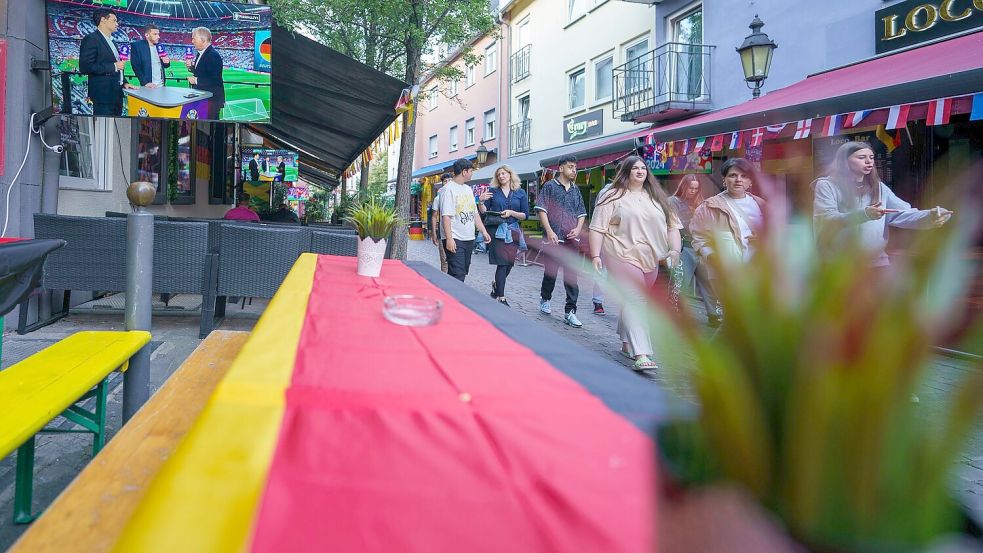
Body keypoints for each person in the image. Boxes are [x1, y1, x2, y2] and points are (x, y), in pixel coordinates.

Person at [588, 156, 682, 371]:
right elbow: (597, 228)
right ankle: (642, 353)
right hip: (620, 253)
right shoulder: (612, 196)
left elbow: (673, 227)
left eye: (643, 168)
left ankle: (626, 341)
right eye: (635, 168)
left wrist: (675, 250)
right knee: (636, 299)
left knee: (632, 300)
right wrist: (596, 255)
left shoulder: (658, 198)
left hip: (652, 258)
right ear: (626, 171)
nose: (640, 171)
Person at [813, 141, 951, 267]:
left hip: (876, 264)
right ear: (844, 161)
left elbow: (902, 213)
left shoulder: (878, 187)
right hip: (840, 267)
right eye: (861, 158)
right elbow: (827, 219)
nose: (869, 162)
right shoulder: (827, 185)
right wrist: (865, 214)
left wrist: (930, 216)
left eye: (871, 158)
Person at [690, 158, 767, 312]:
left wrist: (763, 239)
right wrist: (712, 257)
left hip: (758, 271)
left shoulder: (761, 205)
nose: (738, 180)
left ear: (750, 181)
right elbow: (698, 237)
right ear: (724, 179)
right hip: (726, 272)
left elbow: (774, 233)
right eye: (733, 175)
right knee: (736, 314)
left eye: (744, 176)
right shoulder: (710, 206)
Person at [535, 154, 587, 328]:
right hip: (554, 239)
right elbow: (542, 210)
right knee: (551, 273)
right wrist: (549, 231)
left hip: (572, 240)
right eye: (571, 167)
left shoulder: (575, 190)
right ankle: (545, 298)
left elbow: (581, 214)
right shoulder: (549, 187)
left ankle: (570, 312)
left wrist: (579, 229)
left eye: (575, 167)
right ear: (561, 168)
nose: (574, 170)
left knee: (572, 277)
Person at [670, 174, 721, 327]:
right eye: (690, 187)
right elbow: (670, 226)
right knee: (680, 283)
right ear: (683, 186)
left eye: (696, 188)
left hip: (701, 247)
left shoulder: (701, 202)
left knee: (708, 283)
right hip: (683, 245)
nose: (693, 191)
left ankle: (713, 315)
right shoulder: (672, 202)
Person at [478, 165, 529, 307]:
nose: (501, 176)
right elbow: (484, 211)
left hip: (513, 231)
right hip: (497, 231)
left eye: (504, 173)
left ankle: (496, 286)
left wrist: (511, 213)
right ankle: (501, 297)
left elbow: (525, 214)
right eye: (499, 174)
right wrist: (481, 201)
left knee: (509, 264)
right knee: (502, 263)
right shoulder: (493, 192)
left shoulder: (520, 192)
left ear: (510, 174)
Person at [439, 159, 492, 282]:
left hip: (468, 238)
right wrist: (449, 239)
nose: (472, 173)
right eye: (471, 170)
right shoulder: (448, 190)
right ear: (464, 172)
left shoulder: (468, 189)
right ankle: (453, 300)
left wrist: (483, 231)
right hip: (455, 238)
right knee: (457, 274)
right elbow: (446, 216)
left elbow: (474, 213)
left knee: (463, 271)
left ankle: (453, 298)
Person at [78, 9, 133, 116]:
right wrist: (113, 66)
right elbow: (85, 67)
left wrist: (125, 82)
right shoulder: (91, 39)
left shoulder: (113, 42)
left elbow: (118, 68)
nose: (117, 24)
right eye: (114, 20)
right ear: (103, 20)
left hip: (117, 94)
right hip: (103, 96)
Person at [186, 27, 225, 120]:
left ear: (202, 40)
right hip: (204, 98)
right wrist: (192, 67)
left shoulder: (213, 55)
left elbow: (214, 80)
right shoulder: (201, 53)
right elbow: (204, 71)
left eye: (194, 38)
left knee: (209, 128)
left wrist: (195, 80)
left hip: (211, 100)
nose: (192, 41)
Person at [130, 23, 170, 87]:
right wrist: (145, 83)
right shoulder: (137, 46)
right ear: (147, 35)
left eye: (158, 34)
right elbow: (136, 67)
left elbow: (165, 65)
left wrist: (167, 62)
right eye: (155, 34)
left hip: (161, 85)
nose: (158, 37)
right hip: (148, 86)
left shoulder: (160, 46)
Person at [429, 173, 452, 273]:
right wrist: (434, 233)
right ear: (442, 183)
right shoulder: (438, 198)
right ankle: (445, 283)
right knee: (445, 260)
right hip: (443, 234)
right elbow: (433, 216)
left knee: (456, 262)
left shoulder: (457, 196)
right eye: (445, 181)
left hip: (457, 234)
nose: (447, 183)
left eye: (449, 180)